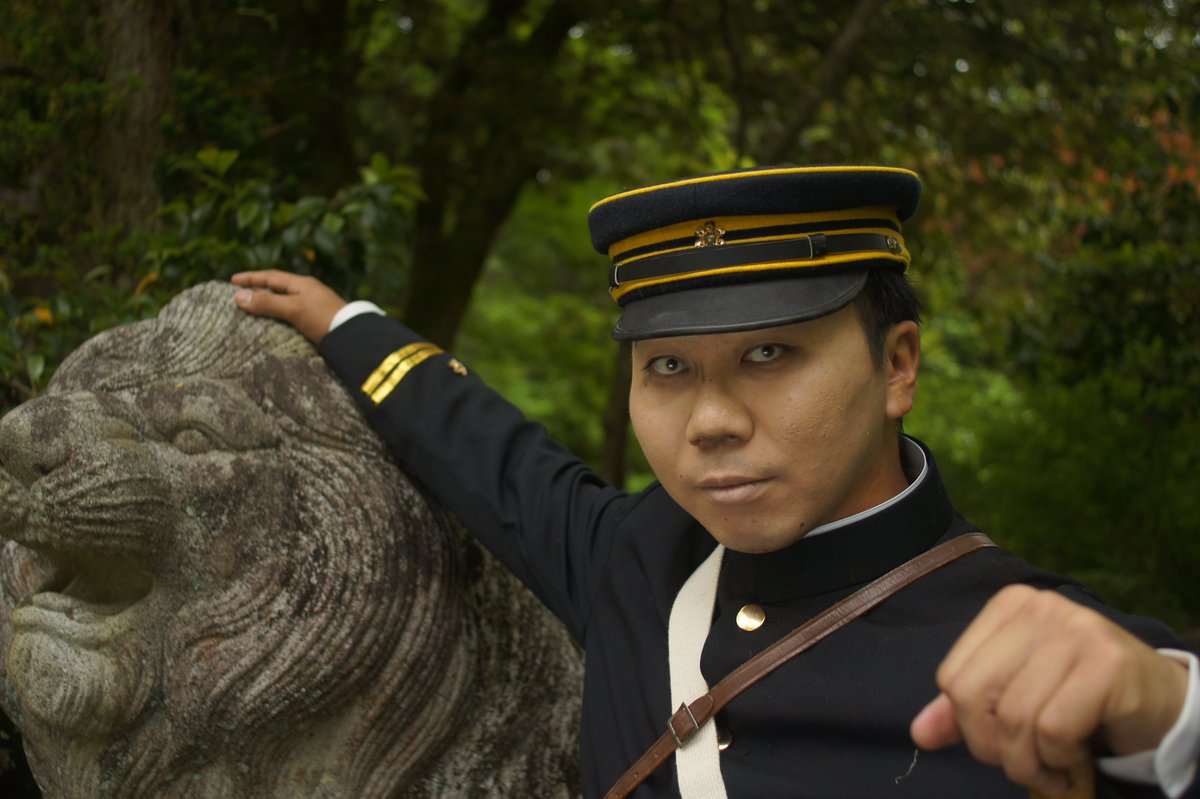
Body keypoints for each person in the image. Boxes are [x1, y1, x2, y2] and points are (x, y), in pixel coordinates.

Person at [232, 165, 1199, 798]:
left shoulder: (1033, 655)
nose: (710, 421)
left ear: (897, 364)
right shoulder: (639, 558)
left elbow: (1151, 711)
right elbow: (488, 452)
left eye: (770, 352)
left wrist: (1167, 710)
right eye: (668, 368)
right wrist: (343, 320)